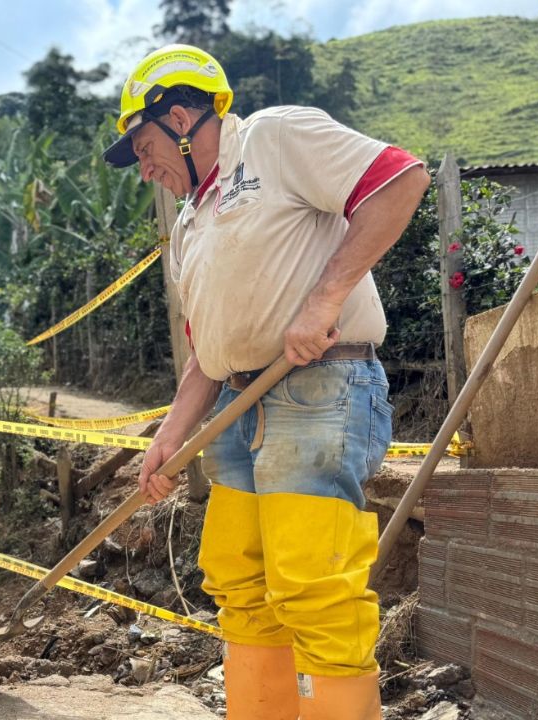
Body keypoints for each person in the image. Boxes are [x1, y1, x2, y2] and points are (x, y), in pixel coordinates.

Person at [103, 45, 429, 719]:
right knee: (238, 578)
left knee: (312, 581)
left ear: (181, 117)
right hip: (236, 400)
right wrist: (169, 436)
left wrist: (324, 300)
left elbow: (400, 179)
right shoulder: (189, 225)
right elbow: (206, 350)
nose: (145, 169)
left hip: (318, 387)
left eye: (144, 148)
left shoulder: (274, 138)